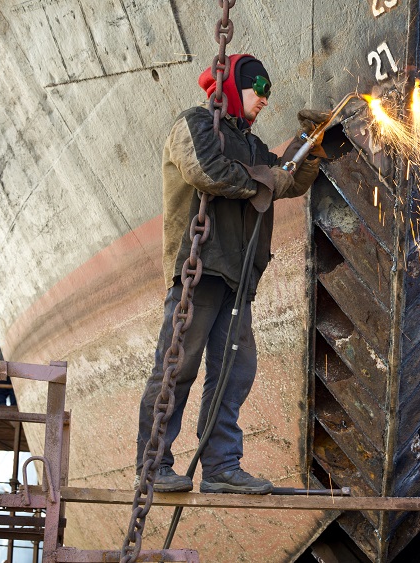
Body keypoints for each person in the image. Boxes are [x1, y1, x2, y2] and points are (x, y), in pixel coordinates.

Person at [134, 54, 326, 495]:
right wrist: (264, 179)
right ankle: (153, 464)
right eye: (258, 85)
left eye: (269, 91)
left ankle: (220, 467)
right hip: (198, 269)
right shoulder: (196, 124)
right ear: (233, 84)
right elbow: (207, 169)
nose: (264, 97)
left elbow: (287, 179)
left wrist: (309, 142)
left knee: (234, 371)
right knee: (177, 367)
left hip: (239, 277)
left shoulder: (254, 146)